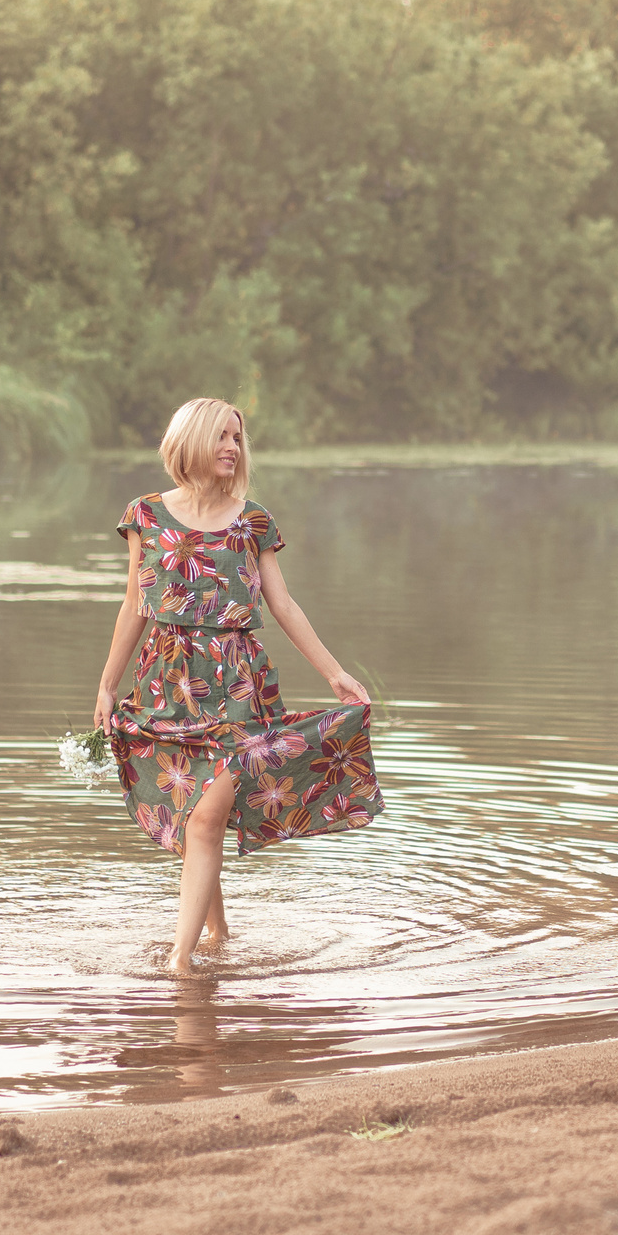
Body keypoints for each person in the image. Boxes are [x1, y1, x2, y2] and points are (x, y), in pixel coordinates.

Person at [94, 398, 381, 974]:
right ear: (192, 440)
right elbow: (134, 605)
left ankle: (179, 960)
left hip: (234, 684)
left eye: (238, 436)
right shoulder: (146, 515)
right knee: (199, 813)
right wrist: (107, 686)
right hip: (165, 681)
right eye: (222, 436)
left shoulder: (253, 521)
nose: (233, 446)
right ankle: (218, 933)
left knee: (204, 818)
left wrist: (334, 671)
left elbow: (282, 603)